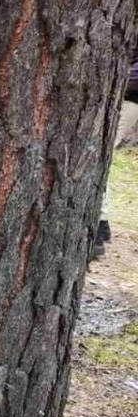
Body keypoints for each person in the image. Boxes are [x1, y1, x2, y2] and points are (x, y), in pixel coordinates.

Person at [96, 44, 138, 258]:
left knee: (97, 158)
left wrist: (113, 81)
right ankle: (100, 226)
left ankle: (98, 227)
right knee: (98, 157)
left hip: (126, 99)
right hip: (121, 96)